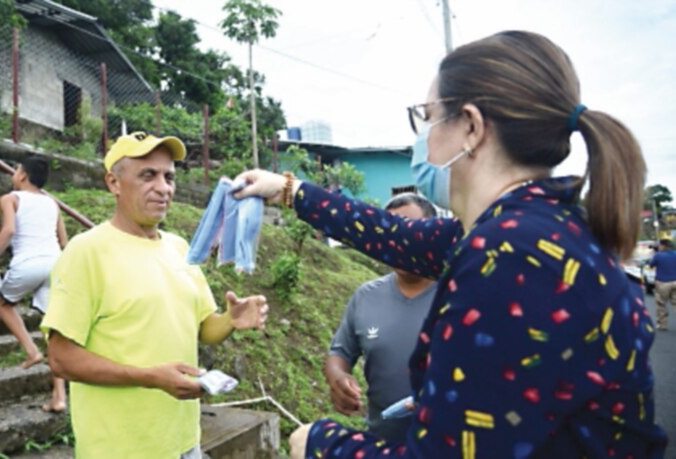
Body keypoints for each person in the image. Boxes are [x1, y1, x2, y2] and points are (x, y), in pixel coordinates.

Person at [234, 31, 667, 458]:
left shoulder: (510, 255)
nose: (422, 138)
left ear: (471, 127)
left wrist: (321, 443)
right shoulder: (536, 229)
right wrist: (289, 189)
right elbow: (396, 236)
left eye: (427, 116)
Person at [41, 132, 269, 459]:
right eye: (148, 175)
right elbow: (61, 358)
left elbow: (204, 327)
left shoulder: (179, 248)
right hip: (120, 449)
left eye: (169, 177)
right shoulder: (86, 252)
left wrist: (231, 320)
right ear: (114, 183)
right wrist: (148, 377)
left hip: (185, 442)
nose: (163, 187)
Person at [325, 193, 437, 442]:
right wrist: (338, 378)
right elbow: (339, 354)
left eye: (409, 231)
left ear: (434, 235)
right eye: (390, 233)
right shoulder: (366, 297)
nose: (399, 242)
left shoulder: (459, 296)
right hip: (382, 445)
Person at [0, 156, 68, 413]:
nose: (13, 173)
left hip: (28, 263)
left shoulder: (11, 198)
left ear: (23, 175)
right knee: (51, 330)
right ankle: (59, 397)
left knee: (3, 303)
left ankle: (31, 351)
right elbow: (64, 241)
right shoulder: (53, 203)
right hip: (55, 264)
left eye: (16, 169)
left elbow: (8, 231)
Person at [648, 239, 676, 330]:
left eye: (660, 245)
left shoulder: (658, 256)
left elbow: (651, 265)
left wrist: (653, 255)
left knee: (661, 304)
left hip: (663, 283)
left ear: (664, 246)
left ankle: (662, 325)